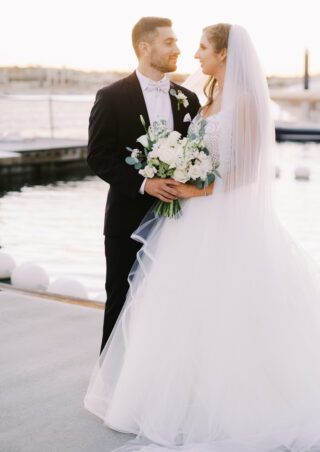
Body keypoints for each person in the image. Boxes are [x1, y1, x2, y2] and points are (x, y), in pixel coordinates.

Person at [84, 24, 320, 451]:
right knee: (167, 307)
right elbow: (104, 154)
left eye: (201, 46)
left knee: (230, 310)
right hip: (177, 220)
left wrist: (193, 188)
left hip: (220, 219)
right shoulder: (199, 100)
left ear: (224, 54)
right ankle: (148, 388)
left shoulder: (217, 101)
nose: (191, 52)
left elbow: (246, 172)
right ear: (145, 47)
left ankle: (237, 400)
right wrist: (165, 182)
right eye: (178, 43)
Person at [87, 17, 200, 353]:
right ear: (144, 47)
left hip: (178, 223)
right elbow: (98, 156)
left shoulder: (188, 99)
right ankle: (109, 385)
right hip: (126, 221)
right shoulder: (111, 97)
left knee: (171, 302)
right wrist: (143, 184)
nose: (177, 49)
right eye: (169, 42)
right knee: (120, 301)